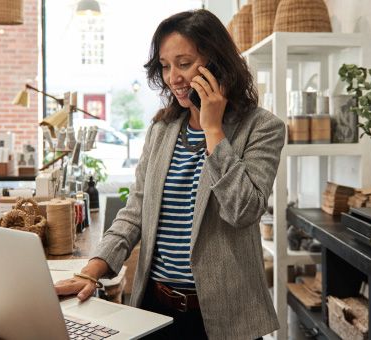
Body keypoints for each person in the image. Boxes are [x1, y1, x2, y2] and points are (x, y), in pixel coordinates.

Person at [54, 9, 286, 339]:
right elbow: (134, 213)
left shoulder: (262, 128)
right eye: (165, 65)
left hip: (224, 319)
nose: (172, 77)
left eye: (184, 63)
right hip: (155, 309)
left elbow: (243, 211)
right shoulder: (162, 129)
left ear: (215, 63)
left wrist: (212, 130)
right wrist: (91, 272)